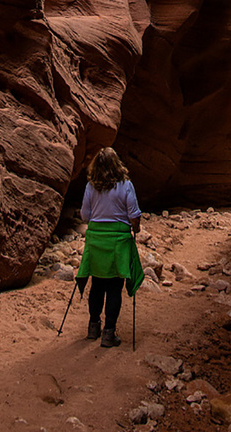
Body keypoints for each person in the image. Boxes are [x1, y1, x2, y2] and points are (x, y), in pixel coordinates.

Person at [76, 147, 144, 347]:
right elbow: (133, 214)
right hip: (118, 241)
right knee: (115, 287)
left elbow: (85, 215)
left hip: (96, 240)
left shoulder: (90, 187)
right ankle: (108, 334)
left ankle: (93, 327)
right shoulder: (126, 186)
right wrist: (136, 228)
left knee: (97, 284)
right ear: (117, 164)